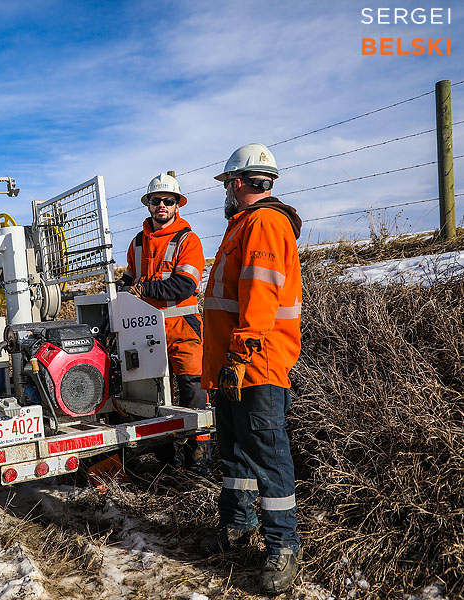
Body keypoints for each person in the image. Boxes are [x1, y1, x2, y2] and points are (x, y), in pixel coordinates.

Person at [200, 143, 303, 593]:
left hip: (255, 364)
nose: (225, 191)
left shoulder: (263, 223)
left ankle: (283, 545)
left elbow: (260, 293)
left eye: (226, 184)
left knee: (267, 453)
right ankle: (238, 527)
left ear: (238, 182)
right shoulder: (245, 224)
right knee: (236, 450)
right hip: (236, 364)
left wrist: (240, 356)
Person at [118, 173, 210, 475]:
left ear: (177, 204)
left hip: (183, 330)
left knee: (193, 396)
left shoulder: (188, 240)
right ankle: (167, 466)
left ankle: (198, 466)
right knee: (151, 398)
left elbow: (184, 286)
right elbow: (130, 280)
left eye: (167, 201)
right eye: (156, 200)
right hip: (145, 332)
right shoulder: (137, 243)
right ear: (148, 205)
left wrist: (144, 290)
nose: (161, 205)